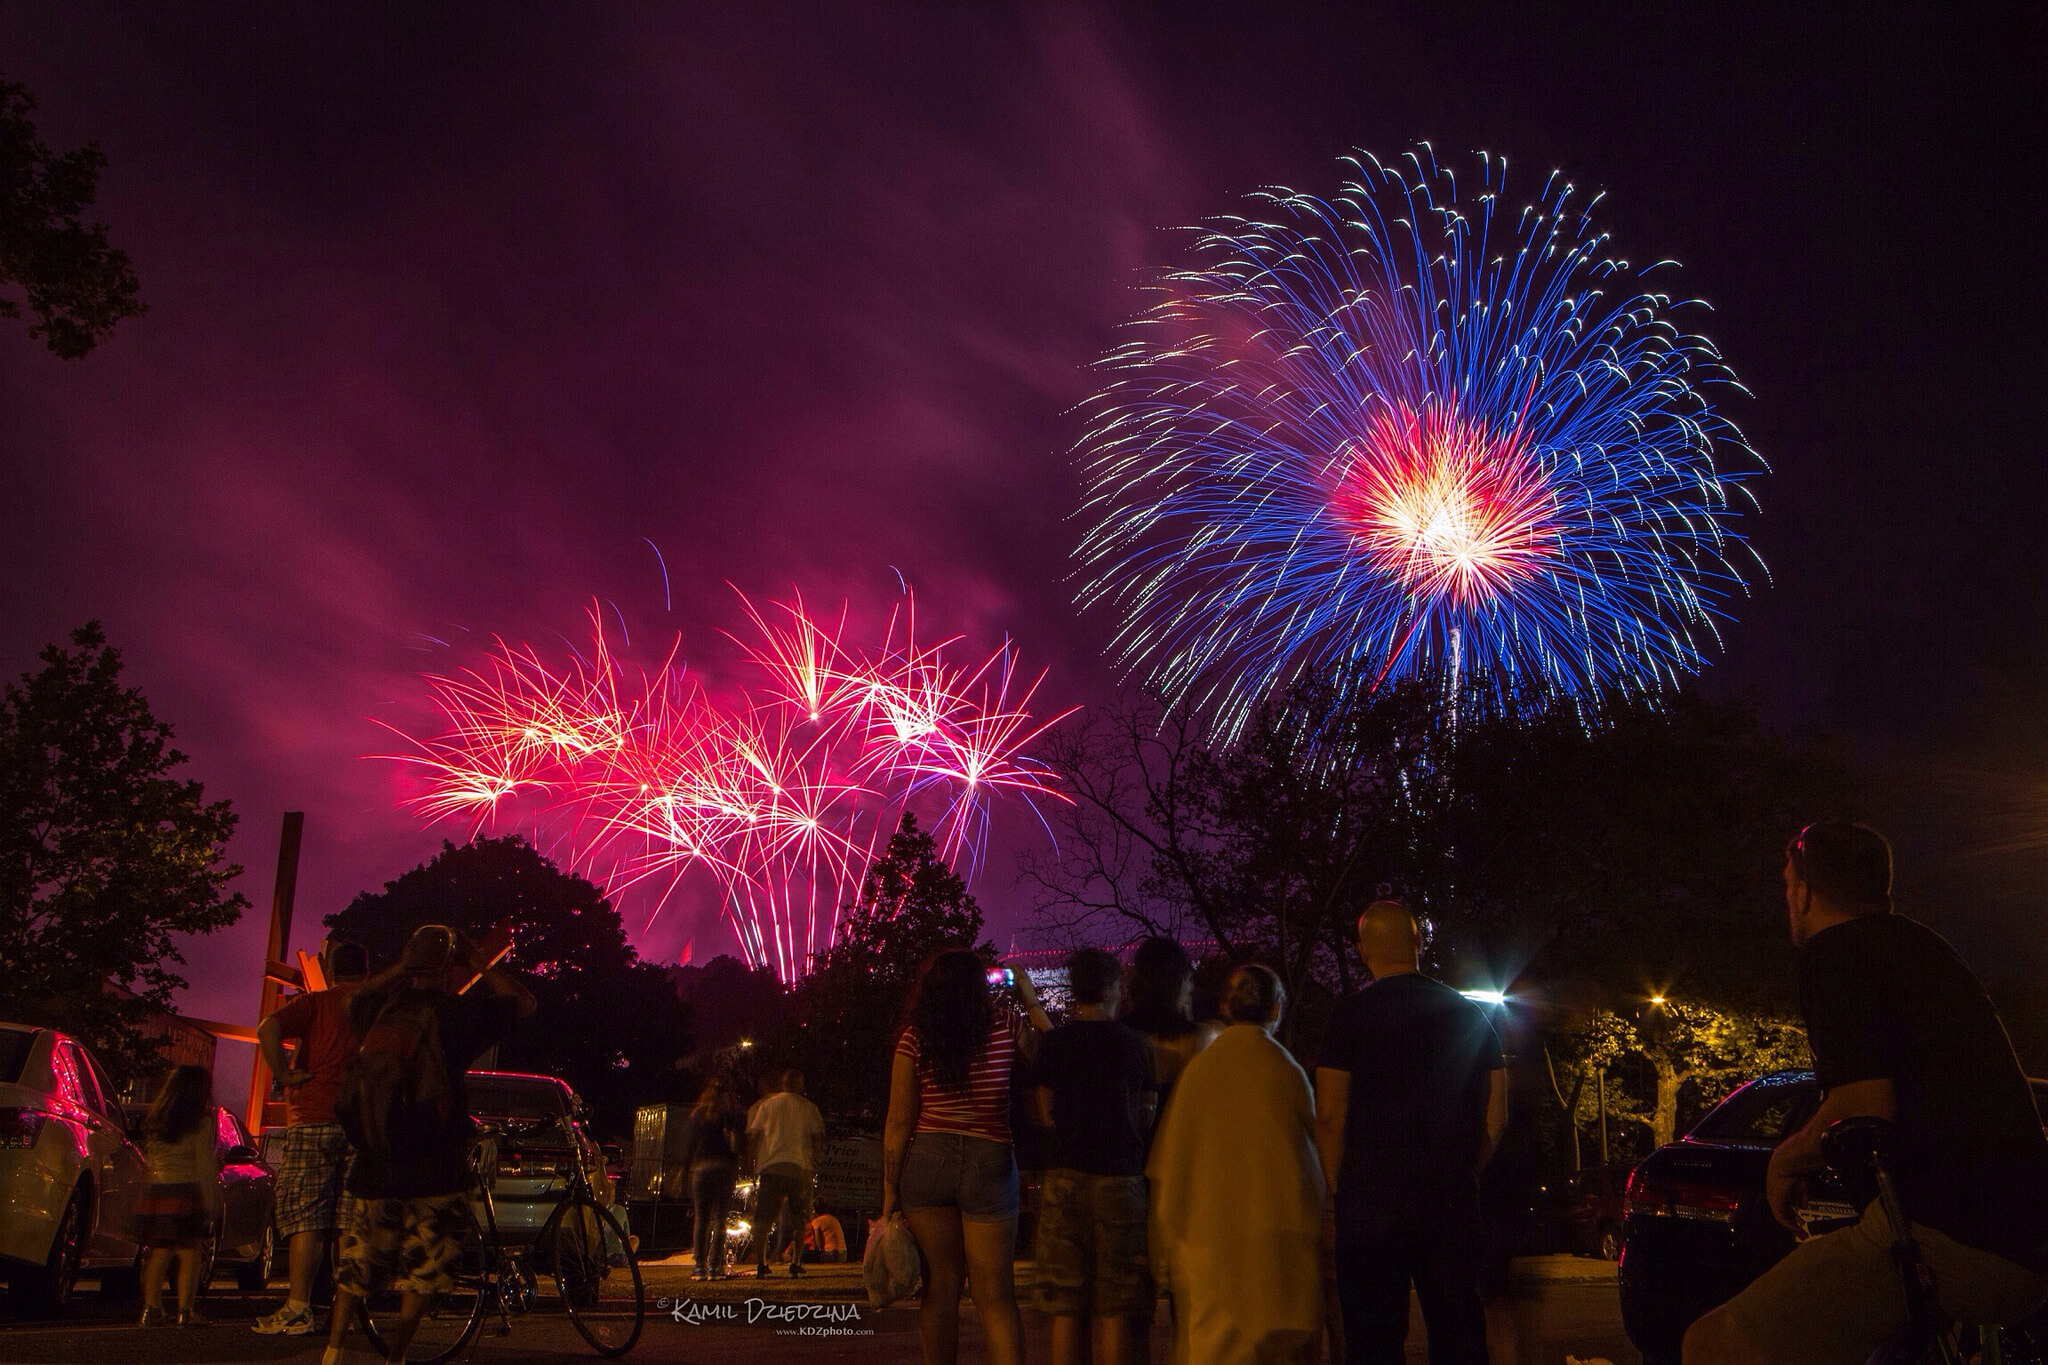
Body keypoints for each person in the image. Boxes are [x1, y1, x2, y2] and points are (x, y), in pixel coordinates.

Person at [1684, 823, 2048, 1365]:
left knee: (1712, 1346)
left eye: (1787, 885)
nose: (1787, 899)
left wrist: (1785, 1160)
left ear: (1804, 891)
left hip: (1945, 1235)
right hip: (2026, 1235)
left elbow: (1863, 1108)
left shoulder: (1837, 952)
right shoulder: (1921, 947)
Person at [325, 925, 535, 1365]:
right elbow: (523, 1003)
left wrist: (403, 964)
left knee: (359, 1261)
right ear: (448, 968)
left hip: (376, 1162)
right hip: (436, 1165)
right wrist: (478, 962)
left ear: (410, 962)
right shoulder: (455, 1015)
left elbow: (353, 999)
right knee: (428, 1267)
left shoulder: (378, 1011)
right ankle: (396, 1357)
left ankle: (333, 1352)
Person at [1314, 900, 1506, 1365]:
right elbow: (1497, 1113)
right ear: (1420, 941)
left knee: (1374, 1340)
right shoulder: (1470, 1014)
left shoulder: (1348, 1018)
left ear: (1362, 951)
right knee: (1459, 1333)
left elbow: (1331, 1116)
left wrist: (1331, 1194)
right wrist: (1467, 1167)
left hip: (1369, 1204)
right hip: (1448, 1199)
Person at [882, 949, 1052, 1365]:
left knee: (940, 1288)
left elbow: (899, 1122)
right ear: (980, 987)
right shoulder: (1005, 1024)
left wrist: (888, 1195)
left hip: (928, 1158)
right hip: (989, 1157)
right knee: (995, 1296)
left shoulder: (914, 1037)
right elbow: (1053, 1055)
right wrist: (1027, 992)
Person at [1148, 964, 1325, 1365]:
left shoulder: (1200, 1070)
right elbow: (1308, 1162)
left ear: (1227, 1008)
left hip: (1208, 1243)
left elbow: (1172, 1161)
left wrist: (1165, 1234)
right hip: (1269, 1244)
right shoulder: (1285, 1071)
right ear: (1276, 1010)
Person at [1032, 947, 1157, 1365]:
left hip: (1065, 1177)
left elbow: (1045, 1112)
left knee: (1067, 1306)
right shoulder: (1135, 1045)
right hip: (1121, 1178)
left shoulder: (1055, 1043)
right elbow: (1146, 1112)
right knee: (1116, 1307)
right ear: (1111, 987)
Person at [253, 940, 370, 1336]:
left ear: (334, 971)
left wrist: (284, 1077)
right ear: (367, 971)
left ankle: (298, 1307)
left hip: (313, 1116)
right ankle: (348, 1312)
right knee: (350, 1221)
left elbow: (268, 1027)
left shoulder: (317, 1004)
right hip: (361, 1120)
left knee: (308, 1218)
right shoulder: (377, 1007)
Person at [134, 1065, 221, 1327]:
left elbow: (150, 1161)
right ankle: (185, 1310)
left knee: (160, 1250)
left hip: (158, 1191)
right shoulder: (200, 1122)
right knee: (189, 1251)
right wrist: (210, 1201)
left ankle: (151, 1308)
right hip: (186, 1191)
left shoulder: (156, 1120)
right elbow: (204, 1165)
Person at [1120, 936, 1221, 1131]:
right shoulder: (1203, 1039)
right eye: (1189, 980)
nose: (1191, 988)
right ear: (1179, 982)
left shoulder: (1123, 1037)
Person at [747, 1069, 826, 1279]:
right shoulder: (808, 1108)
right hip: (799, 1167)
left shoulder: (768, 1105)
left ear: (783, 1084)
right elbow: (818, 1137)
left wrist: (751, 1162)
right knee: (800, 1218)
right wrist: (813, 1159)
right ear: (800, 1085)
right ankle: (796, 1262)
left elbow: (754, 1135)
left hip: (772, 1167)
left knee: (763, 1219)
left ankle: (762, 1264)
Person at [683, 1076, 743, 1281]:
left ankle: (699, 1265)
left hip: (702, 1168)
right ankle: (715, 1265)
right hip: (724, 1166)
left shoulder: (697, 1115)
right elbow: (737, 1144)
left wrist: (685, 1171)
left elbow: (690, 1145)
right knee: (720, 1219)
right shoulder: (729, 1114)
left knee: (701, 1218)